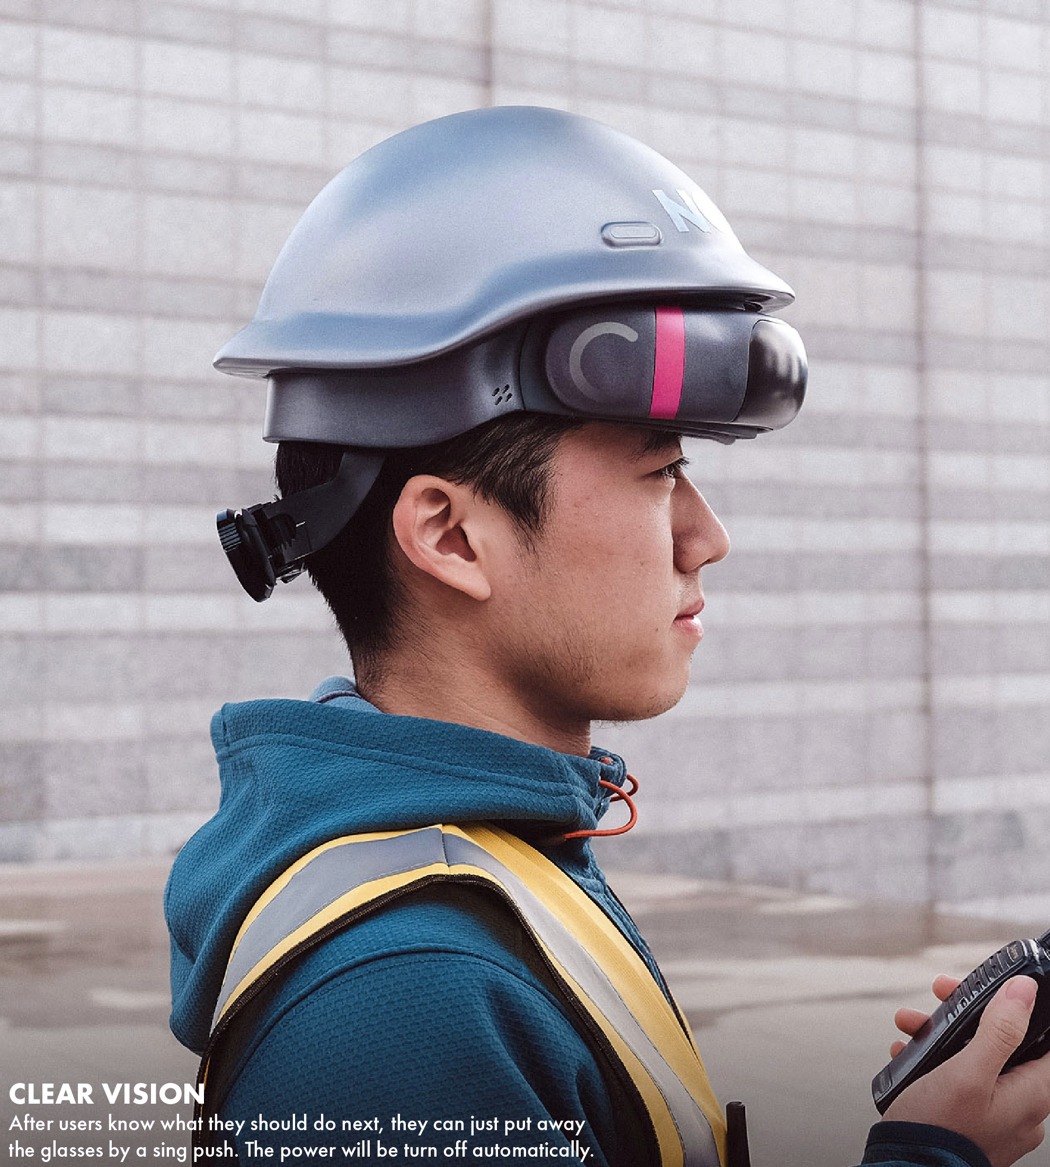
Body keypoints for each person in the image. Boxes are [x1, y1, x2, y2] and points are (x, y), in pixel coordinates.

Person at [165, 107, 1050, 1167]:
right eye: (659, 472)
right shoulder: (409, 999)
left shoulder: (492, 866)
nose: (707, 537)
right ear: (450, 535)